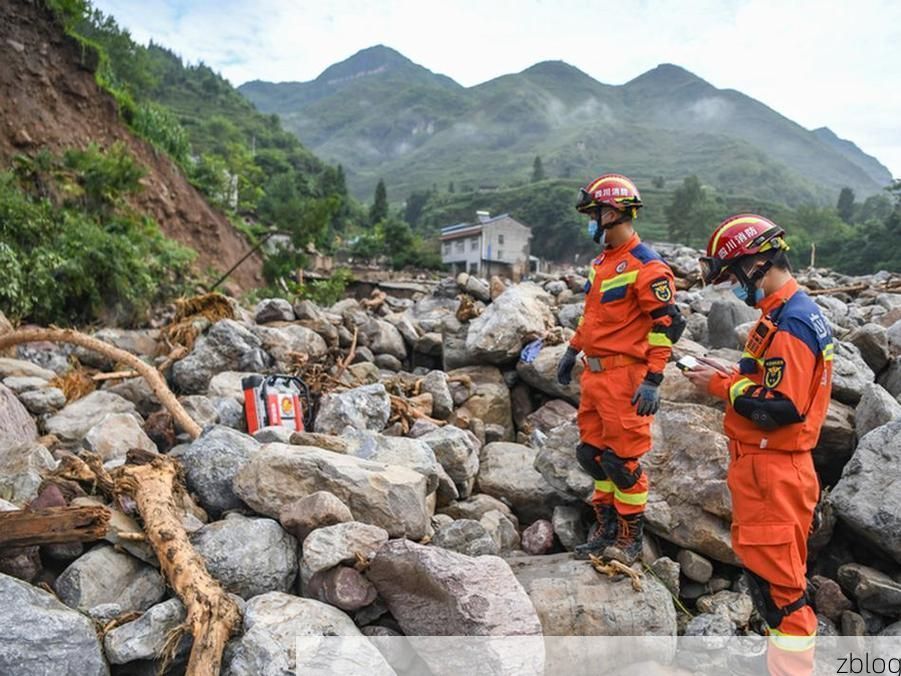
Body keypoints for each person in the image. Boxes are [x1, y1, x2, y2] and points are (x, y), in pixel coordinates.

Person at [683, 214, 833, 675]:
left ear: (757, 263)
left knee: (782, 596)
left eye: (733, 275)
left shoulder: (791, 324)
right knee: (771, 584)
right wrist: (727, 374)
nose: (733, 287)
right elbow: (769, 382)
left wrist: (720, 388)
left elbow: (782, 406)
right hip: (767, 471)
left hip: (775, 472)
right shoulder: (783, 313)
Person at [557, 173, 685, 564]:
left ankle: (629, 539)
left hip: (626, 378)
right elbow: (593, 317)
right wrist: (571, 350)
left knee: (622, 462)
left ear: (613, 212)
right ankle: (605, 529)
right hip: (594, 375)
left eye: (594, 213)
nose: (590, 221)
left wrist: (653, 379)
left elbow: (668, 325)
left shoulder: (648, 266)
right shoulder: (601, 263)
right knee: (591, 455)